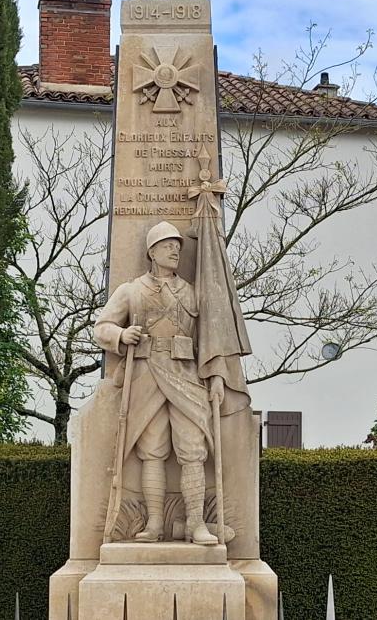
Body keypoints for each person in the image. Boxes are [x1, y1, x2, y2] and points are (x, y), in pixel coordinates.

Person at [94, 221, 223, 545]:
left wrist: (218, 376)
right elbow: (102, 327)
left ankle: (196, 524)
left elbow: (211, 340)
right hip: (147, 374)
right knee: (152, 451)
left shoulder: (193, 292)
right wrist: (122, 335)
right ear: (152, 252)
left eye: (177, 245)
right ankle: (154, 524)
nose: (175, 249)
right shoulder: (131, 290)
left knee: (192, 449)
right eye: (167, 245)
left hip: (185, 376)